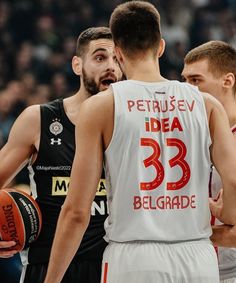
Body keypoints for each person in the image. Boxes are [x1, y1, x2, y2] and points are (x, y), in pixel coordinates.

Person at [44, 2, 236, 283]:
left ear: (118, 52)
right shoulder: (206, 104)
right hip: (198, 257)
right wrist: (227, 214)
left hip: (133, 259)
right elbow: (233, 180)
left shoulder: (101, 106)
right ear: (160, 47)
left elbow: (76, 212)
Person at [0, 26, 122, 283]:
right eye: (100, 58)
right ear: (77, 65)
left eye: (117, 59)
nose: (111, 66)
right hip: (49, 265)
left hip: (115, 265)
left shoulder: (131, 124)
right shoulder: (39, 119)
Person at [182, 40, 236, 283]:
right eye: (184, 81)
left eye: (195, 81)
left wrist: (189, 233)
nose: (186, 89)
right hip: (189, 268)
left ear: (228, 81)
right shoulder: (184, 136)